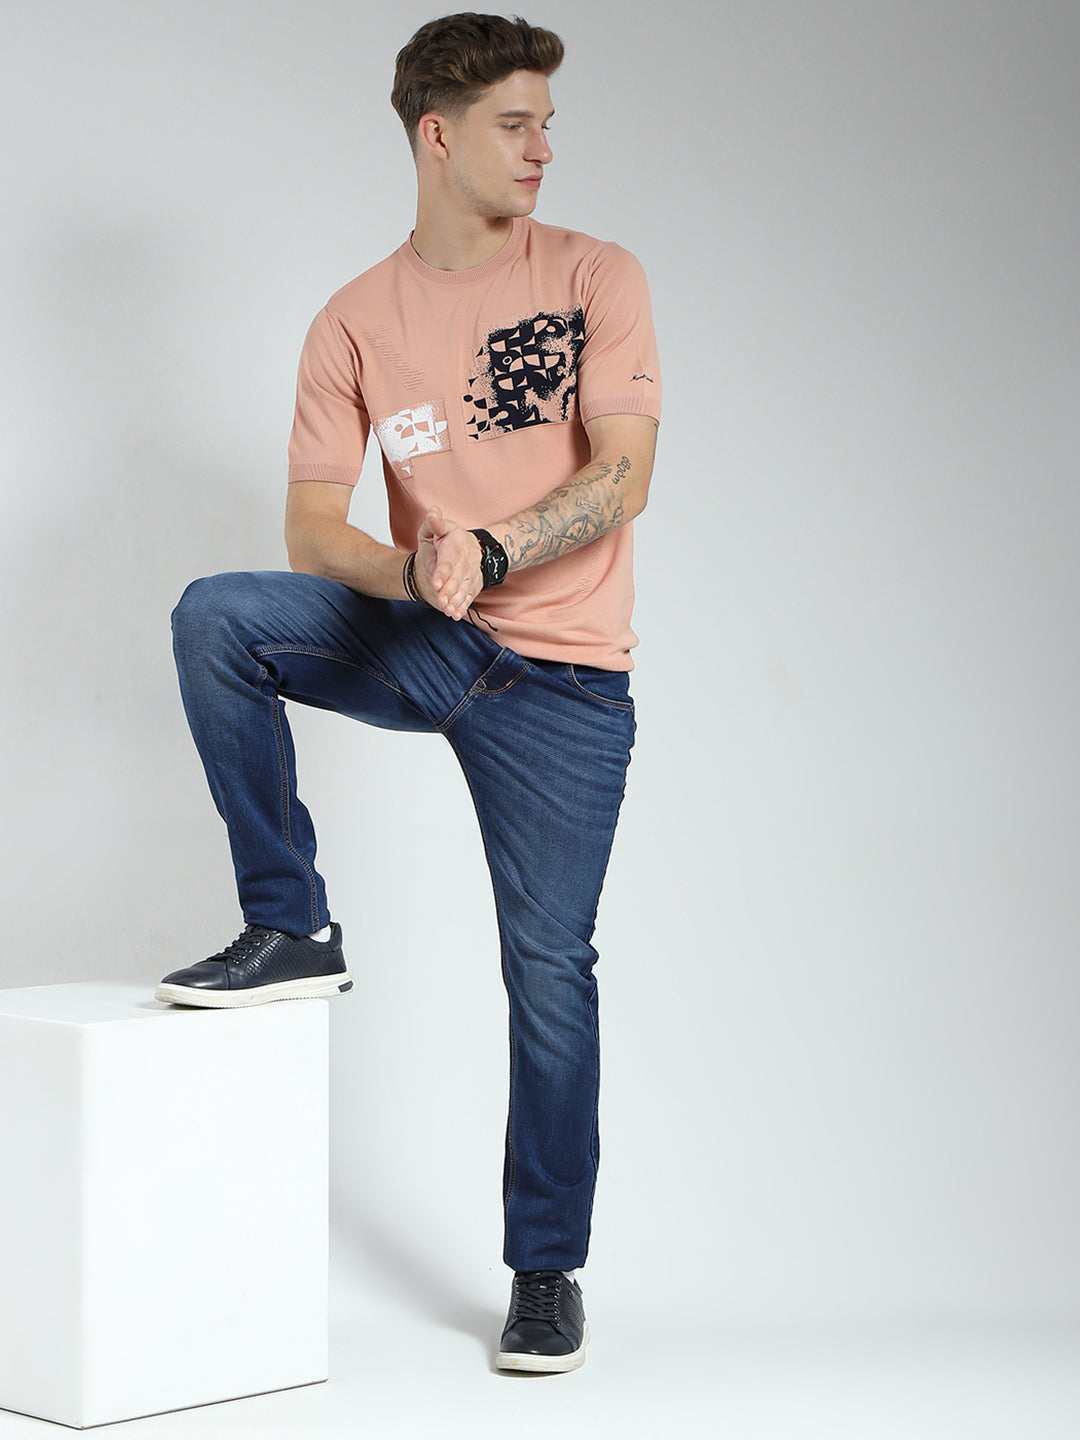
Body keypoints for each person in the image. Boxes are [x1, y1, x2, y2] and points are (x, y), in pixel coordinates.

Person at [156, 13, 661, 1374]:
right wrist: (413, 570)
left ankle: (545, 1271)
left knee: (549, 971)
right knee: (218, 619)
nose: (543, 148)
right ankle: (289, 923)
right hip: (431, 635)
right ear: (437, 135)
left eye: (548, 123)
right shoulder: (354, 321)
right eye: (515, 124)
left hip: (564, 682)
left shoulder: (595, 277)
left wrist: (487, 547)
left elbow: (624, 475)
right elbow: (311, 529)